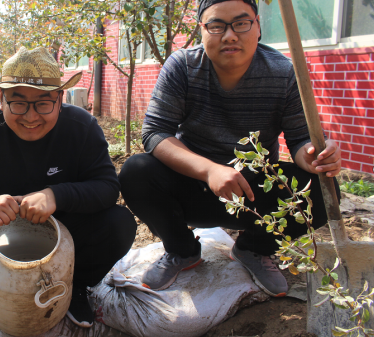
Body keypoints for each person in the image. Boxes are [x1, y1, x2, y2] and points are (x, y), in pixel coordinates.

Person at [119, 0, 341, 296]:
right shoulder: (183, 66)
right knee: (136, 171)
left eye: (240, 23)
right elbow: (155, 132)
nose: (230, 35)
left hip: (254, 194)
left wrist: (314, 157)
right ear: (202, 30)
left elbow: (301, 140)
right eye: (216, 25)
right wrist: (209, 170)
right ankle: (182, 250)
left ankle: (253, 248)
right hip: (194, 187)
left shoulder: (283, 72)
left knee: (324, 190)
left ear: (258, 26)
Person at [0, 46, 137, 328]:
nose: (31, 116)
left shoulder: (81, 127)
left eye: (43, 103)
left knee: (119, 223)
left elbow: (108, 187)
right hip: (1, 227)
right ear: (1, 99)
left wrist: (56, 195)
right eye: (18, 102)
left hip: (69, 227)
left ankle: (76, 287)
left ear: (61, 100)